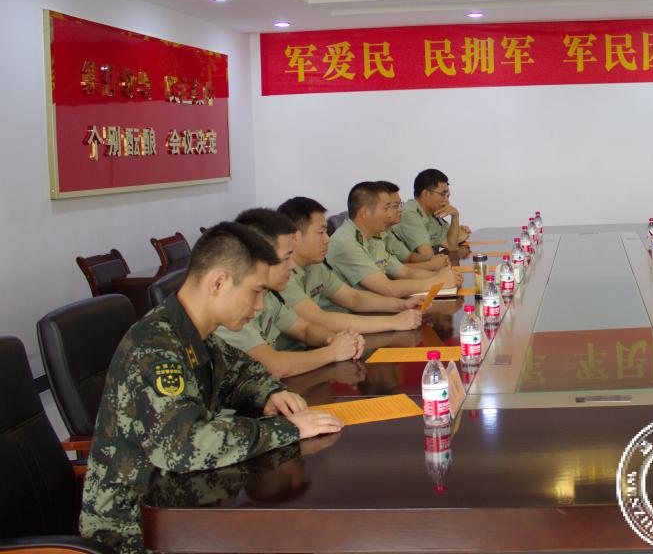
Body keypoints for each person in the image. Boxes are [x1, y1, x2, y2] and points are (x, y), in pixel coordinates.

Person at [79, 222, 343, 553]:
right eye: (256, 292)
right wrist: (287, 428)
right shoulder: (156, 347)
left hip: (187, 504)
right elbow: (186, 444)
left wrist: (271, 393)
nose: (260, 306)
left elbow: (242, 370)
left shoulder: (191, 332)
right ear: (218, 282)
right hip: (136, 529)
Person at [214, 208, 364, 377]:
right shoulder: (231, 306)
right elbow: (274, 366)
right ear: (257, 258)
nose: (292, 265)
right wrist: (332, 352)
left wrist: (339, 339)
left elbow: (305, 329)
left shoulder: (268, 295)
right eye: (286, 258)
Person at [274, 195, 425, 344]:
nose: (327, 239)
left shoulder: (315, 265)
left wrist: (401, 305)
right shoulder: (280, 274)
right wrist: (393, 322)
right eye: (320, 233)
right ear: (295, 236)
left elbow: (353, 298)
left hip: (320, 343)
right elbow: (319, 319)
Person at [328, 180, 462, 297]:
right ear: (365, 212)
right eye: (386, 208)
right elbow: (388, 288)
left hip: (371, 305)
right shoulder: (346, 242)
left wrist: (445, 276)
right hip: (349, 313)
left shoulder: (373, 238)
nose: (390, 214)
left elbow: (404, 272)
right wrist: (436, 281)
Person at [395, 168, 469, 258]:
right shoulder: (409, 213)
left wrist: (455, 216)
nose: (447, 201)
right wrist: (457, 236)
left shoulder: (432, 214)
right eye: (443, 194)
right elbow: (427, 255)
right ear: (426, 194)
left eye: (447, 196)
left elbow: (451, 246)